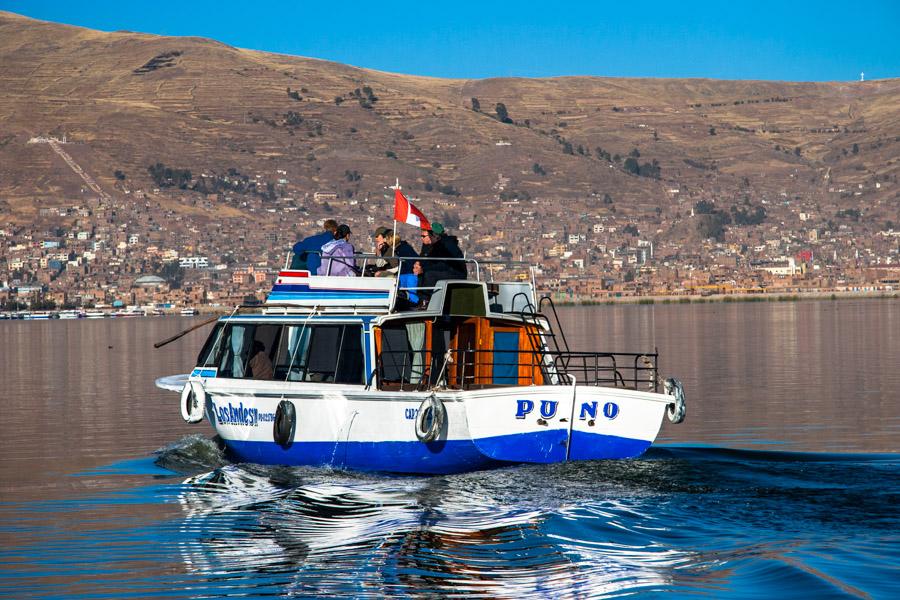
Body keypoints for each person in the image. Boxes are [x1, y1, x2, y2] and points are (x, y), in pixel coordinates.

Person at [419, 222, 466, 292]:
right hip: (447, 270)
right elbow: (431, 261)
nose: (422, 238)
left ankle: (427, 299)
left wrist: (424, 269)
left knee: (429, 275)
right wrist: (419, 265)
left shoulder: (446, 244)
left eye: (428, 236)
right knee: (421, 273)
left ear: (435, 235)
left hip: (456, 272)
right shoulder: (435, 245)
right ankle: (420, 298)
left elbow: (444, 264)